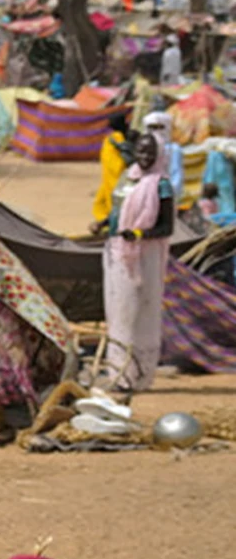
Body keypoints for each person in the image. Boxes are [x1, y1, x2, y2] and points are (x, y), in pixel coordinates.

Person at [101, 130, 175, 393]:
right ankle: (119, 374)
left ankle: (139, 374)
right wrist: (103, 223)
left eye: (150, 152)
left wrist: (140, 234)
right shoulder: (127, 177)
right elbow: (118, 210)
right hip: (117, 252)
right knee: (118, 312)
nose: (144, 156)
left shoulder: (161, 185)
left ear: (159, 155)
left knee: (139, 312)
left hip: (145, 256)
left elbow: (166, 227)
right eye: (141, 151)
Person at [90, 110, 135, 230]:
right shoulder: (125, 137)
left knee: (109, 203)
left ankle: (111, 225)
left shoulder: (114, 139)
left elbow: (115, 161)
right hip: (118, 176)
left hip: (114, 177)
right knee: (103, 202)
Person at [142, 109, 184, 205]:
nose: (156, 131)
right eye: (152, 127)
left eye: (160, 127)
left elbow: (176, 175)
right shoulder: (143, 147)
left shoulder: (174, 149)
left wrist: (169, 194)